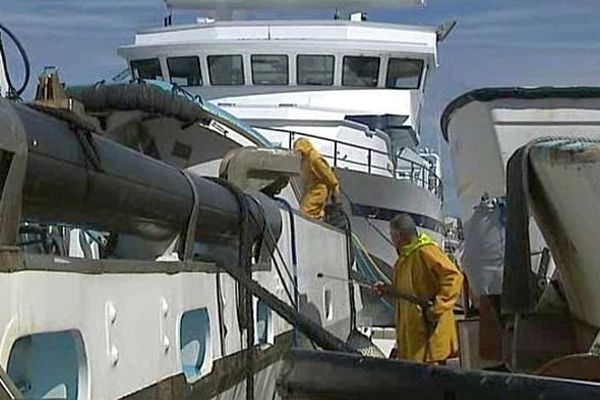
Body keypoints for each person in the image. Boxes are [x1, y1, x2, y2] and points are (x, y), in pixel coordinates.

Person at [373, 213, 463, 363]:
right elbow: (406, 291)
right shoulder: (403, 259)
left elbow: (454, 277)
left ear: (400, 235)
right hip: (413, 342)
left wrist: (437, 308)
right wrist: (387, 289)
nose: (391, 239)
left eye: (392, 235)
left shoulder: (426, 252)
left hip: (429, 342)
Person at [293, 138, 340, 220]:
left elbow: (329, 175)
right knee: (303, 211)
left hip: (318, 191)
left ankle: (320, 220)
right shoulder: (305, 158)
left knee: (305, 212)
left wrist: (335, 188)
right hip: (309, 190)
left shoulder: (314, 158)